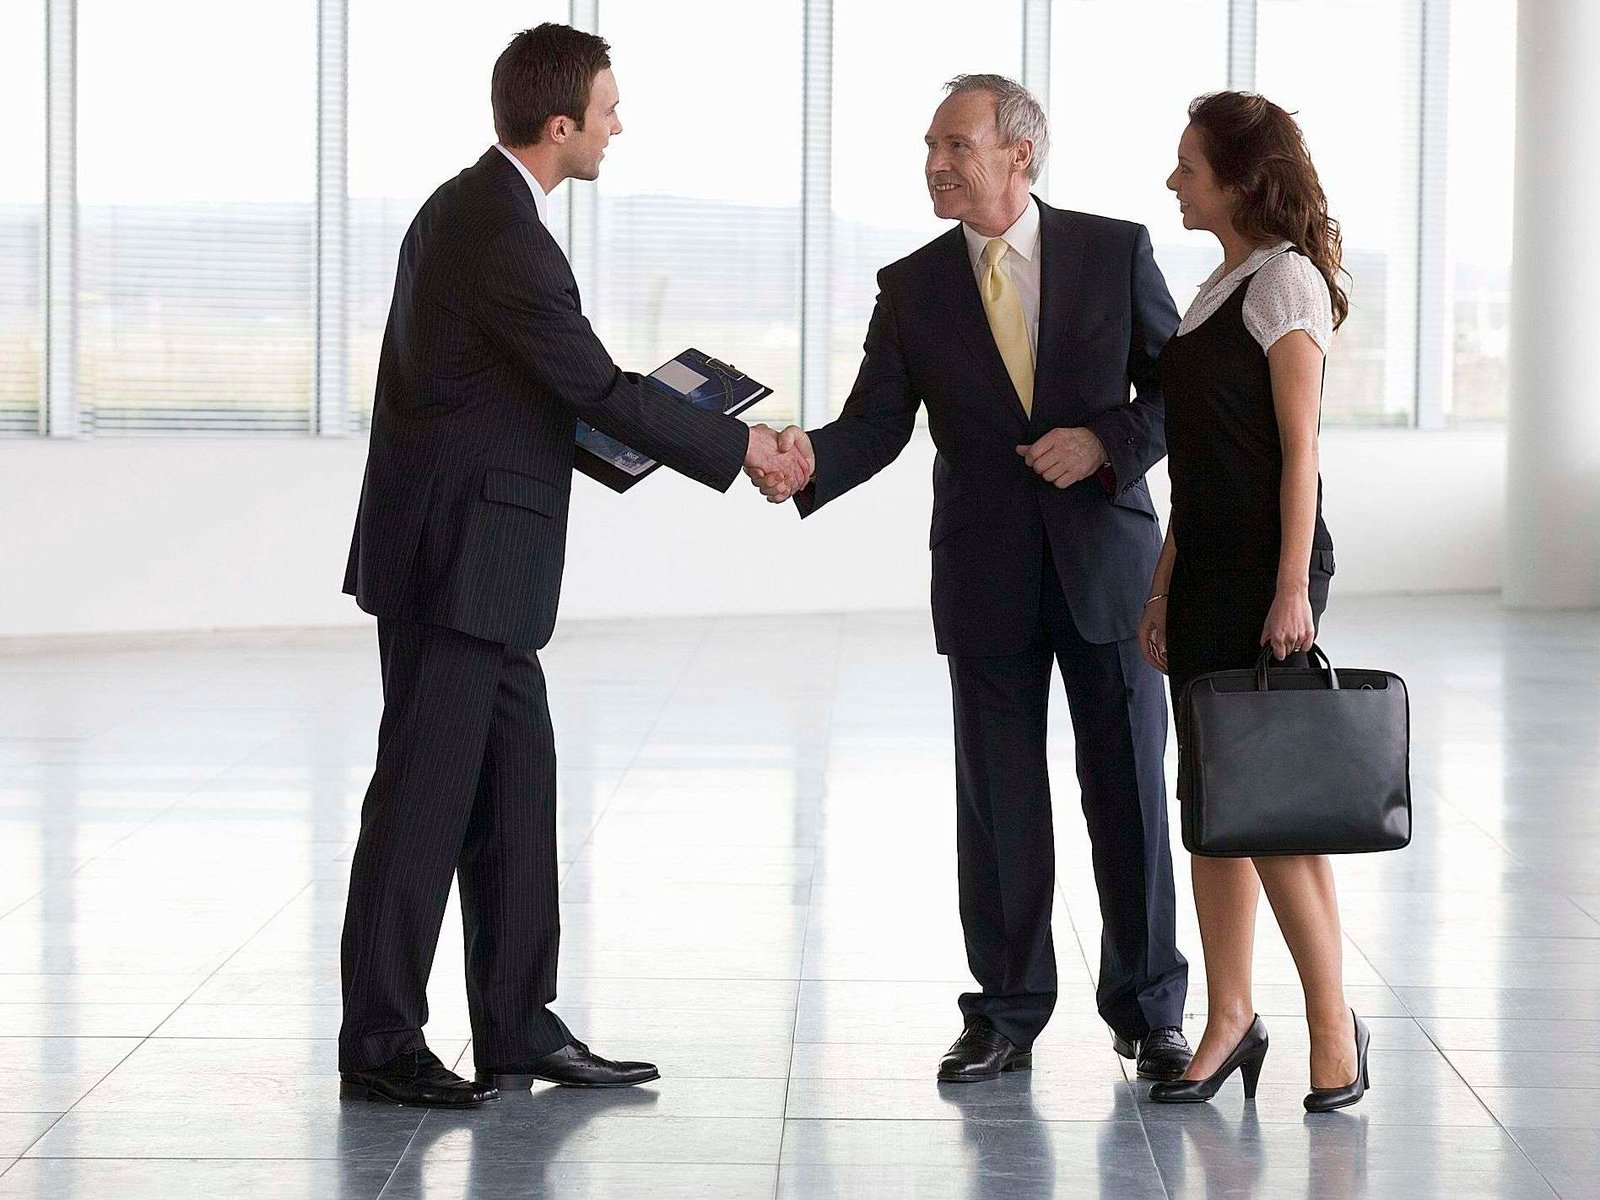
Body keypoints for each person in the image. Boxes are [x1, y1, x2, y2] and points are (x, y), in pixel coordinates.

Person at [336, 23, 808, 1109]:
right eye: (607, 110)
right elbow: (591, 386)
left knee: (515, 795)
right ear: (560, 125)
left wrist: (649, 424)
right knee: (420, 808)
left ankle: (516, 1024)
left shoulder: (473, 210)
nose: (616, 127)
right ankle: (380, 1044)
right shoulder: (500, 232)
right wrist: (741, 445)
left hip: (482, 570)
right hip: (457, 567)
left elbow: (531, 389)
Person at [750, 75, 1191, 1084]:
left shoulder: (1113, 250)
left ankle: (1150, 1012)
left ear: (1017, 154)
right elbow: (874, 425)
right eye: (929, 147)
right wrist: (804, 461)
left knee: (1127, 791)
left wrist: (1105, 443)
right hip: (984, 573)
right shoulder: (911, 285)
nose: (936, 165)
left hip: (1106, 566)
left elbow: (1178, 391)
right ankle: (1004, 1012)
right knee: (997, 804)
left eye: (956, 145)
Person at [1140, 91, 1368, 1112]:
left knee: (1274, 814)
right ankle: (1228, 1019)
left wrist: (1289, 589)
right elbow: (1200, 463)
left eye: (1189, 166)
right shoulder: (1213, 289)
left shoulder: (1285, 283)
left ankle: (1334, 1030)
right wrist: (1162, 583)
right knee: (1215, 809)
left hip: (1267, 576)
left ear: (1238, 180)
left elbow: (1299, 450)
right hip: (1204, 572)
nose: (1174, 181)